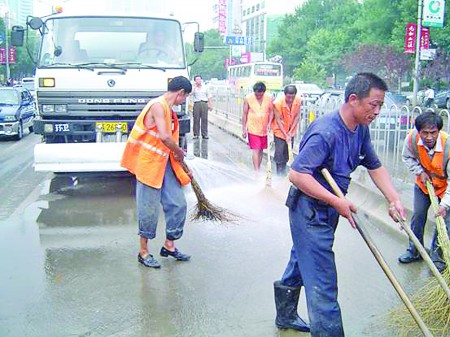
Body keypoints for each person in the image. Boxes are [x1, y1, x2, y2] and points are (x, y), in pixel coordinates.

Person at [274, 73, 406, 336]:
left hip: (329, 208)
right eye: (374, 104)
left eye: (381, 105)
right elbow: (297, 174)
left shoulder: (360, 129)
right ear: (354, 99)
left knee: (302, 259)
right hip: (309, 211)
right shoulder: (326, 132)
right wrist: (336, 201)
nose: (378, 111)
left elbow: (374, 166)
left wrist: (394, 199)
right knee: (323, 283)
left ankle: (286, 314)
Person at [121, 76, 193, 269]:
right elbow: (164, 136)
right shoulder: (158, 106)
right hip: (149, 164)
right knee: (149, 209)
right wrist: (179, 151)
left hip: (164, 162)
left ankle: (169, 245)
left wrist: (176, 156)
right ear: (181, 93)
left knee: (178, 203)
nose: (182, 102)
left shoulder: (168, 109)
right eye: (184, 98)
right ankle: (143, 251)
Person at [398, 111, 450, 272]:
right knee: (418, 216)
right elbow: (406, 157)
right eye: (424, 133)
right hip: (423, 185)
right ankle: (415, 251)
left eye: (433, 132)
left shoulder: (448, 146)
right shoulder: (412, 139)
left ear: (439, 131)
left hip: (444, 189)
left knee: (442, 223)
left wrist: (445, 205)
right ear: (418, 131)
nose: (429, 137)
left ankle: (437, 260)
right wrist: (420, 171)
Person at [241, 82, 274, 171]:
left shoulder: (269, 98)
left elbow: (271, 112)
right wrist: (243, 129)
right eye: (256, 95)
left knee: (261, 149)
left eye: (260, 95)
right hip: (252, 127)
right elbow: (244, 114)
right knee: (256, 148)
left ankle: (258, 166)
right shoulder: (248, 98)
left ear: (264, 92)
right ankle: (256, 171)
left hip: (264, 128)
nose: (258, 96)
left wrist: (269, 123)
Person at [271, 85, 302, 175]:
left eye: (292, 97)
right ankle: (279, 172)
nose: (290, 99)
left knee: (287, 152)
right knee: (280, 152)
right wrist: (285, 134)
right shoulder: (278, 103)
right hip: (280, 131)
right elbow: (278, 120)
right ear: (285, 95)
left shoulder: (298, 101)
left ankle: (283, 171)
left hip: (290, 131)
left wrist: (290, 131)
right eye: (288, 97)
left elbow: (297, 117)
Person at [191, 75, 212, 139]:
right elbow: (190, 94)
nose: (198, 81)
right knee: (196, 119)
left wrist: (210, 104)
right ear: (195, 81)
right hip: (197, 103)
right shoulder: (194, 88)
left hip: (204, 103)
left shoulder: (205, 87)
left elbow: (209, 96)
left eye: (199, 79)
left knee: (204, 119)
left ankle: (204, 134)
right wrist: (194, 87)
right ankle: (196, 134)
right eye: (197, 79)